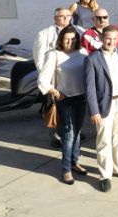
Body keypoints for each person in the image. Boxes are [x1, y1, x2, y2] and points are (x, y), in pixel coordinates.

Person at [84, 26, 118, 193]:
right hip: (104, 104)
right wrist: (94, 111)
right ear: (101, 38)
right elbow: (90, 88)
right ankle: (105, 175)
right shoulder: (92, 59)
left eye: (114, 38)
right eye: (108, 38)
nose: (111, 42)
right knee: (104, 140)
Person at [37, 26, 89, 185]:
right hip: (64, 100)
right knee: (69, 134)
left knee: (78, 132)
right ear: (61, 39)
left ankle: (74, 162)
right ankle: (66, 169)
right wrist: (56, 92)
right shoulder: (54, 55)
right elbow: (42, 80)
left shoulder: (83, 53)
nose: (70, 41)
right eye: (67, 38)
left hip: (81, 98)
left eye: (74, 38)